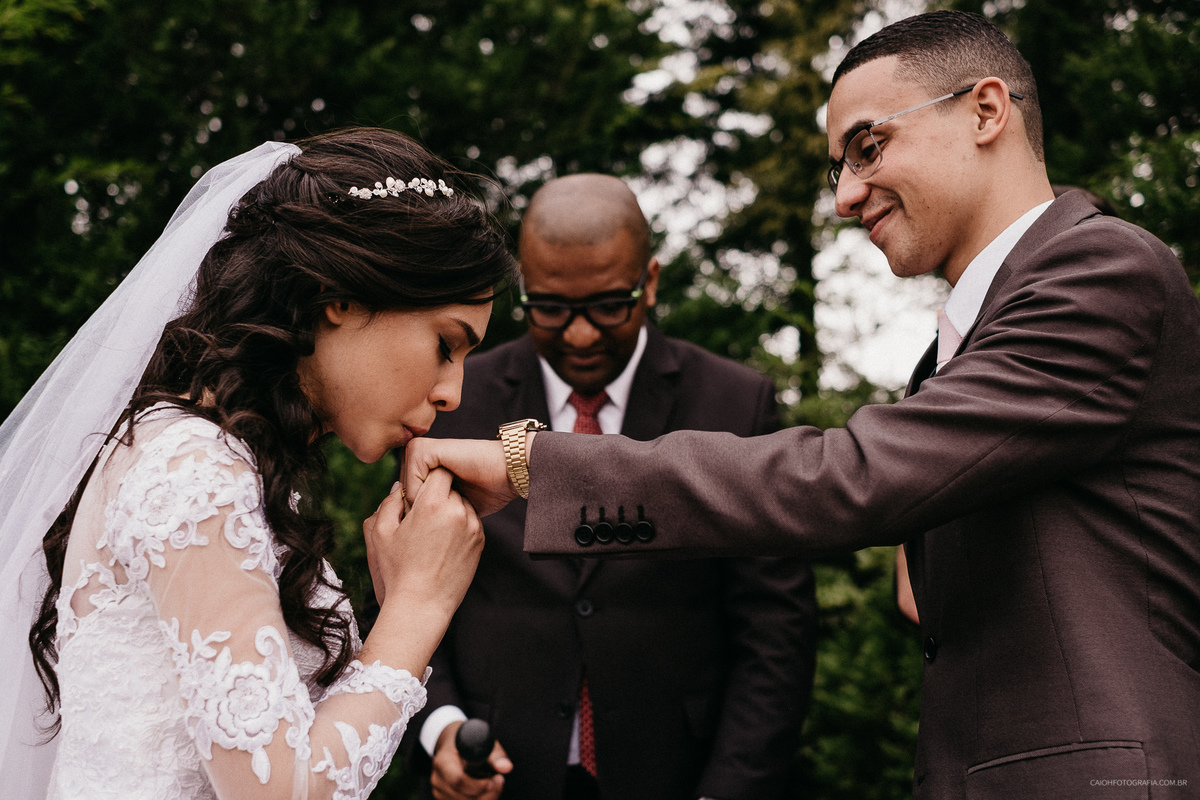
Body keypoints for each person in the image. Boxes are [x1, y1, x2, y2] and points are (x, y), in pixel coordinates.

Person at [400, 11, 1200, 798]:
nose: (847, 195)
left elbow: (849, 478)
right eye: (837, 168)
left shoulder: (1100, 270)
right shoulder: (960, 344)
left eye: (868, 148)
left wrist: (531, 463)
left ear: (986, 110)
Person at [0, 127, 517, 799]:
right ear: (341, 298)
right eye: (446, 344)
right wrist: (419, 606)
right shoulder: (194, 469)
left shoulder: (220, 459)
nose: (453, 392)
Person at [399, 174, 817, 800]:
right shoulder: (453, 401)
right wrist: (442, 727)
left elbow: (775, 629)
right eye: (550, 308)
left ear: (648, 281)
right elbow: (400, 591)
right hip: (502, 774)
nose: (580, 335)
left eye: (607, 306)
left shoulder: (733, 403)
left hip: (677, 773)